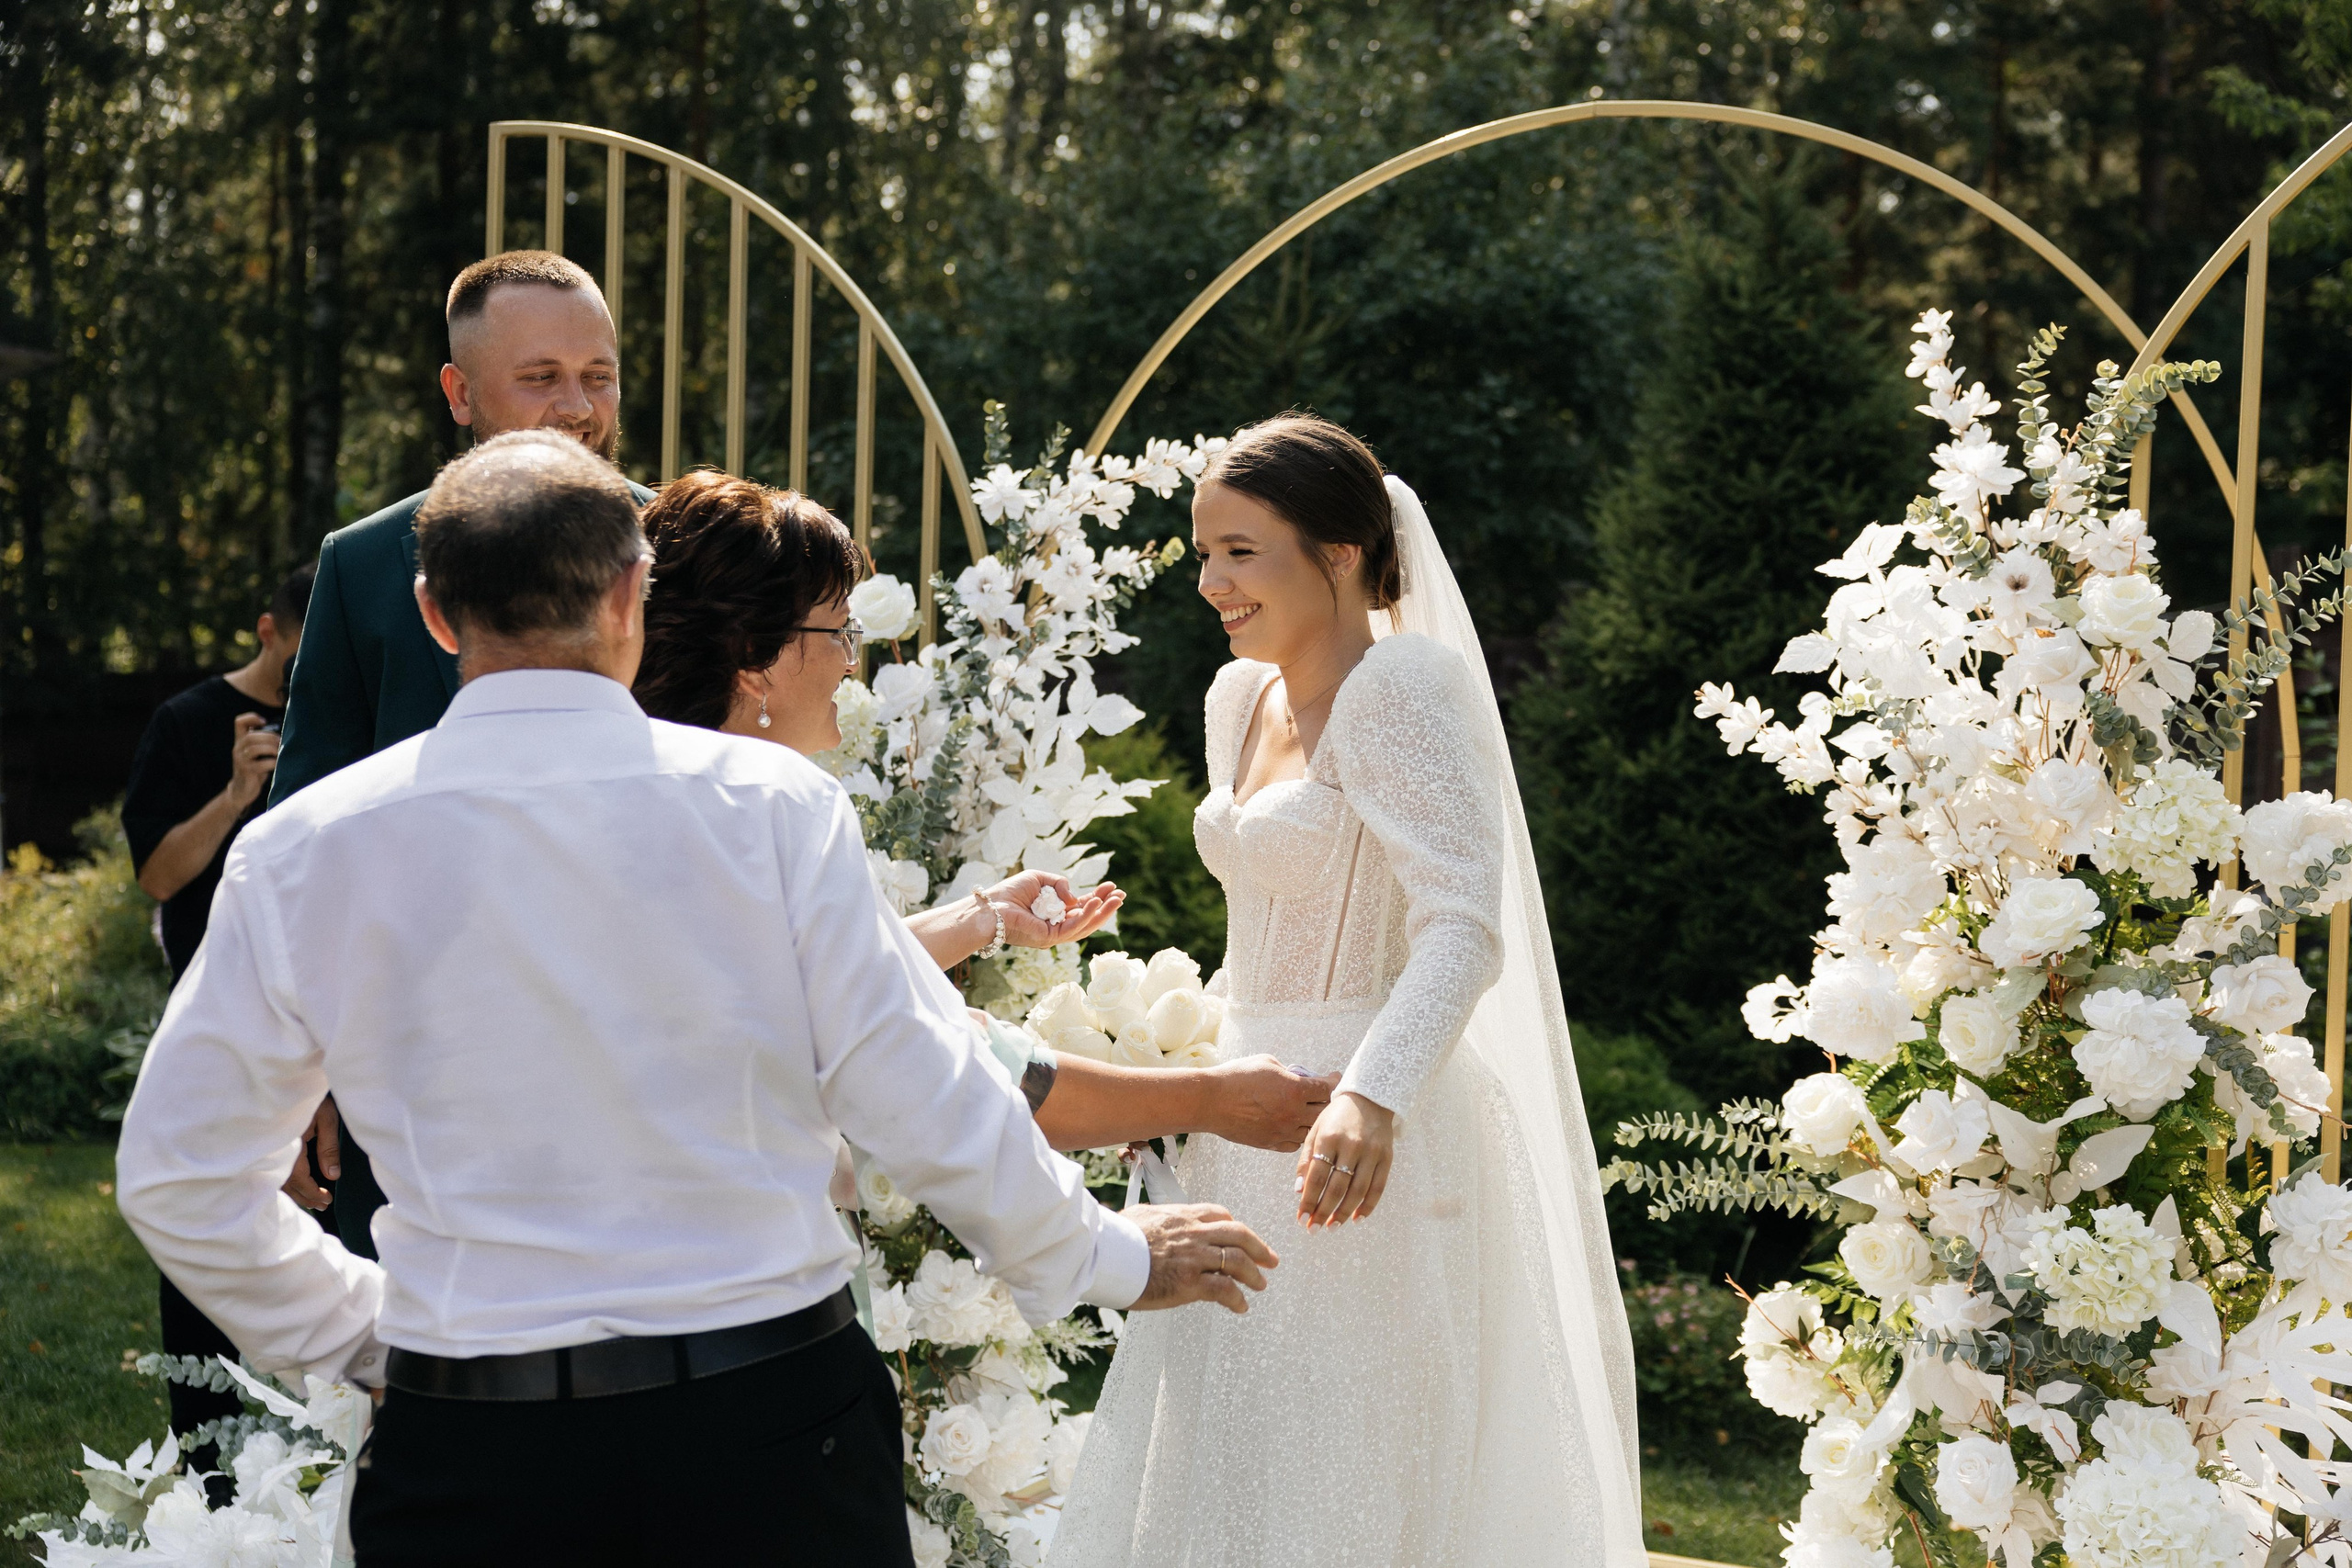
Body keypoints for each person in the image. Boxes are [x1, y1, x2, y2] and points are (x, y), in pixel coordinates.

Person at [115, 430, 1279, 1568]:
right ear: (632, 593)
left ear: (432, 611)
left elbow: (181, 1177)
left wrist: (376, 1336)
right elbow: (912, 1087)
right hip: (775, 1440)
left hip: (473, 1448)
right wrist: (1101, 1258)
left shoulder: (309, 848)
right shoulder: (772, 808)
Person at [1052, 415, 1645, 1567]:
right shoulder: (1241, 698)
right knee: (1226, 1450)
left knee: (1358, 1458)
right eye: (1201, 555)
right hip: (1242, 1119)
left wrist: (1371, 1098)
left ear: (1336, 552)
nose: (1213, 584)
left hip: (1362, 1138)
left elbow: (1464, 927)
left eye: (1241, 551)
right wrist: (1180, 1083)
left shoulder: (1400, 689)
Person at [631, 468, 1337, 1154]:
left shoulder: (645, 800)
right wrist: (1209, 1101)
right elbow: (948, 1061)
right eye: (840, 631)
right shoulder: (779, 815)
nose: (852, 662)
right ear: (756, 659)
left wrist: (986, 915)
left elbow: (825, 974)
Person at [270, 248, 653, 1261]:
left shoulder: (687, 544)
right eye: (541, 378)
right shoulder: (363, 565)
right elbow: (305, 821)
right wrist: (303, 1057)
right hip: (416, 1053)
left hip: (650, 1041)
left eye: (598, 374)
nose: (577, 405)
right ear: (459, 391)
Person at [119, 560, 320, 1462]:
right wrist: (236, 794)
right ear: (265, 631)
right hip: (219, 1027)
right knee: (210, 1243)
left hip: (333, 1021)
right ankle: (212, 1478)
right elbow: (158, 877)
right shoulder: (188, 723)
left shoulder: (346, 720)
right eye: (299, 656)